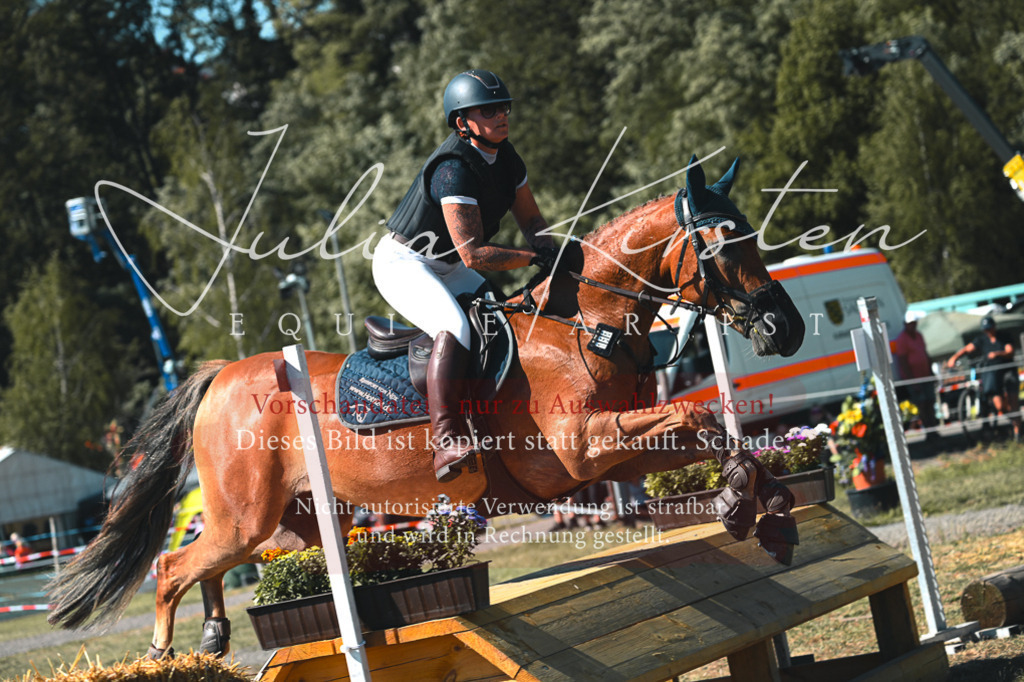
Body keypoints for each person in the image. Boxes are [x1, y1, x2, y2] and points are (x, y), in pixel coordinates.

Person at [373, 70, 557, 482]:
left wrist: (551, 249)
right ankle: (445, 441)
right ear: (462, 122)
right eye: (488, 110)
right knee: (455, 327)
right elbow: (473, 254)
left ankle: (497, 418)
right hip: (405, 264)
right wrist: (531, 258)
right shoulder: (452, 170)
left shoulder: (507, 158)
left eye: (503, 107)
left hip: (449, 266)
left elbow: (530, 218)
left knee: (506, 321)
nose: (501, 115)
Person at [947, 315, 1021, 439]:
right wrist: (955, 357)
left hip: (1008, 372)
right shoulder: (981, 339)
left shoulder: (1004, 336)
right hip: (994, 375)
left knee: (1013, 401)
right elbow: (967, 349)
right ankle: (1016, 421)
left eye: (989, 328)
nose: (988, 331)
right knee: (999, 405)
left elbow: (1010, 351)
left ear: (994, 327)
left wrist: (997, 354)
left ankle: (1017, 433)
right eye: (986, 329)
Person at [893, 310, 937, 432]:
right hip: (914, 378)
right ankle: (928, 430)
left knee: (930, 402)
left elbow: (925, 354)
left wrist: (931, 372)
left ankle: (934, 429)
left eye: (914, 323)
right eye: (910, 323)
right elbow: (903, 362)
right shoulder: (902, 339)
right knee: (922, 404)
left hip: (925, 375)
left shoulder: (918, 336)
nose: (913, 325)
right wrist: (912, 381)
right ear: (905, 324)